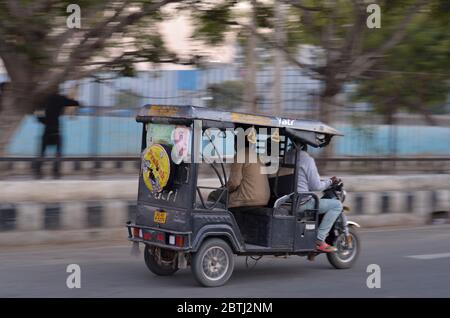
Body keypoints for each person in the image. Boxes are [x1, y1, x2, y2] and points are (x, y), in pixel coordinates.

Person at [297, 145, 342, 253]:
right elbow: (316, 186)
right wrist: (330, 181)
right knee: (337, 205)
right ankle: (319, 239)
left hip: (284, 201)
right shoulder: (307, 159)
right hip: (301, 203)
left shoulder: (286, 156)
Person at [34, 91, 80, 179]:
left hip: (47, 129)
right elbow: (75, 103)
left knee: (42, 152)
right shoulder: (60, 98)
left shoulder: (42, 100)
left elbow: (37, 116)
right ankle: (56, 171)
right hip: (56, 129)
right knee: (58, 152)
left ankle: (38, 171)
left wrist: (45, 121)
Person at [226, 143, 270, 208]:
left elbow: (234, 183)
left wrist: (225, 189)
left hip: (246, 199)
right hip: (264, 199)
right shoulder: (257, 156)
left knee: (214, 196)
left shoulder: (240, 155)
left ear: (236, 144)